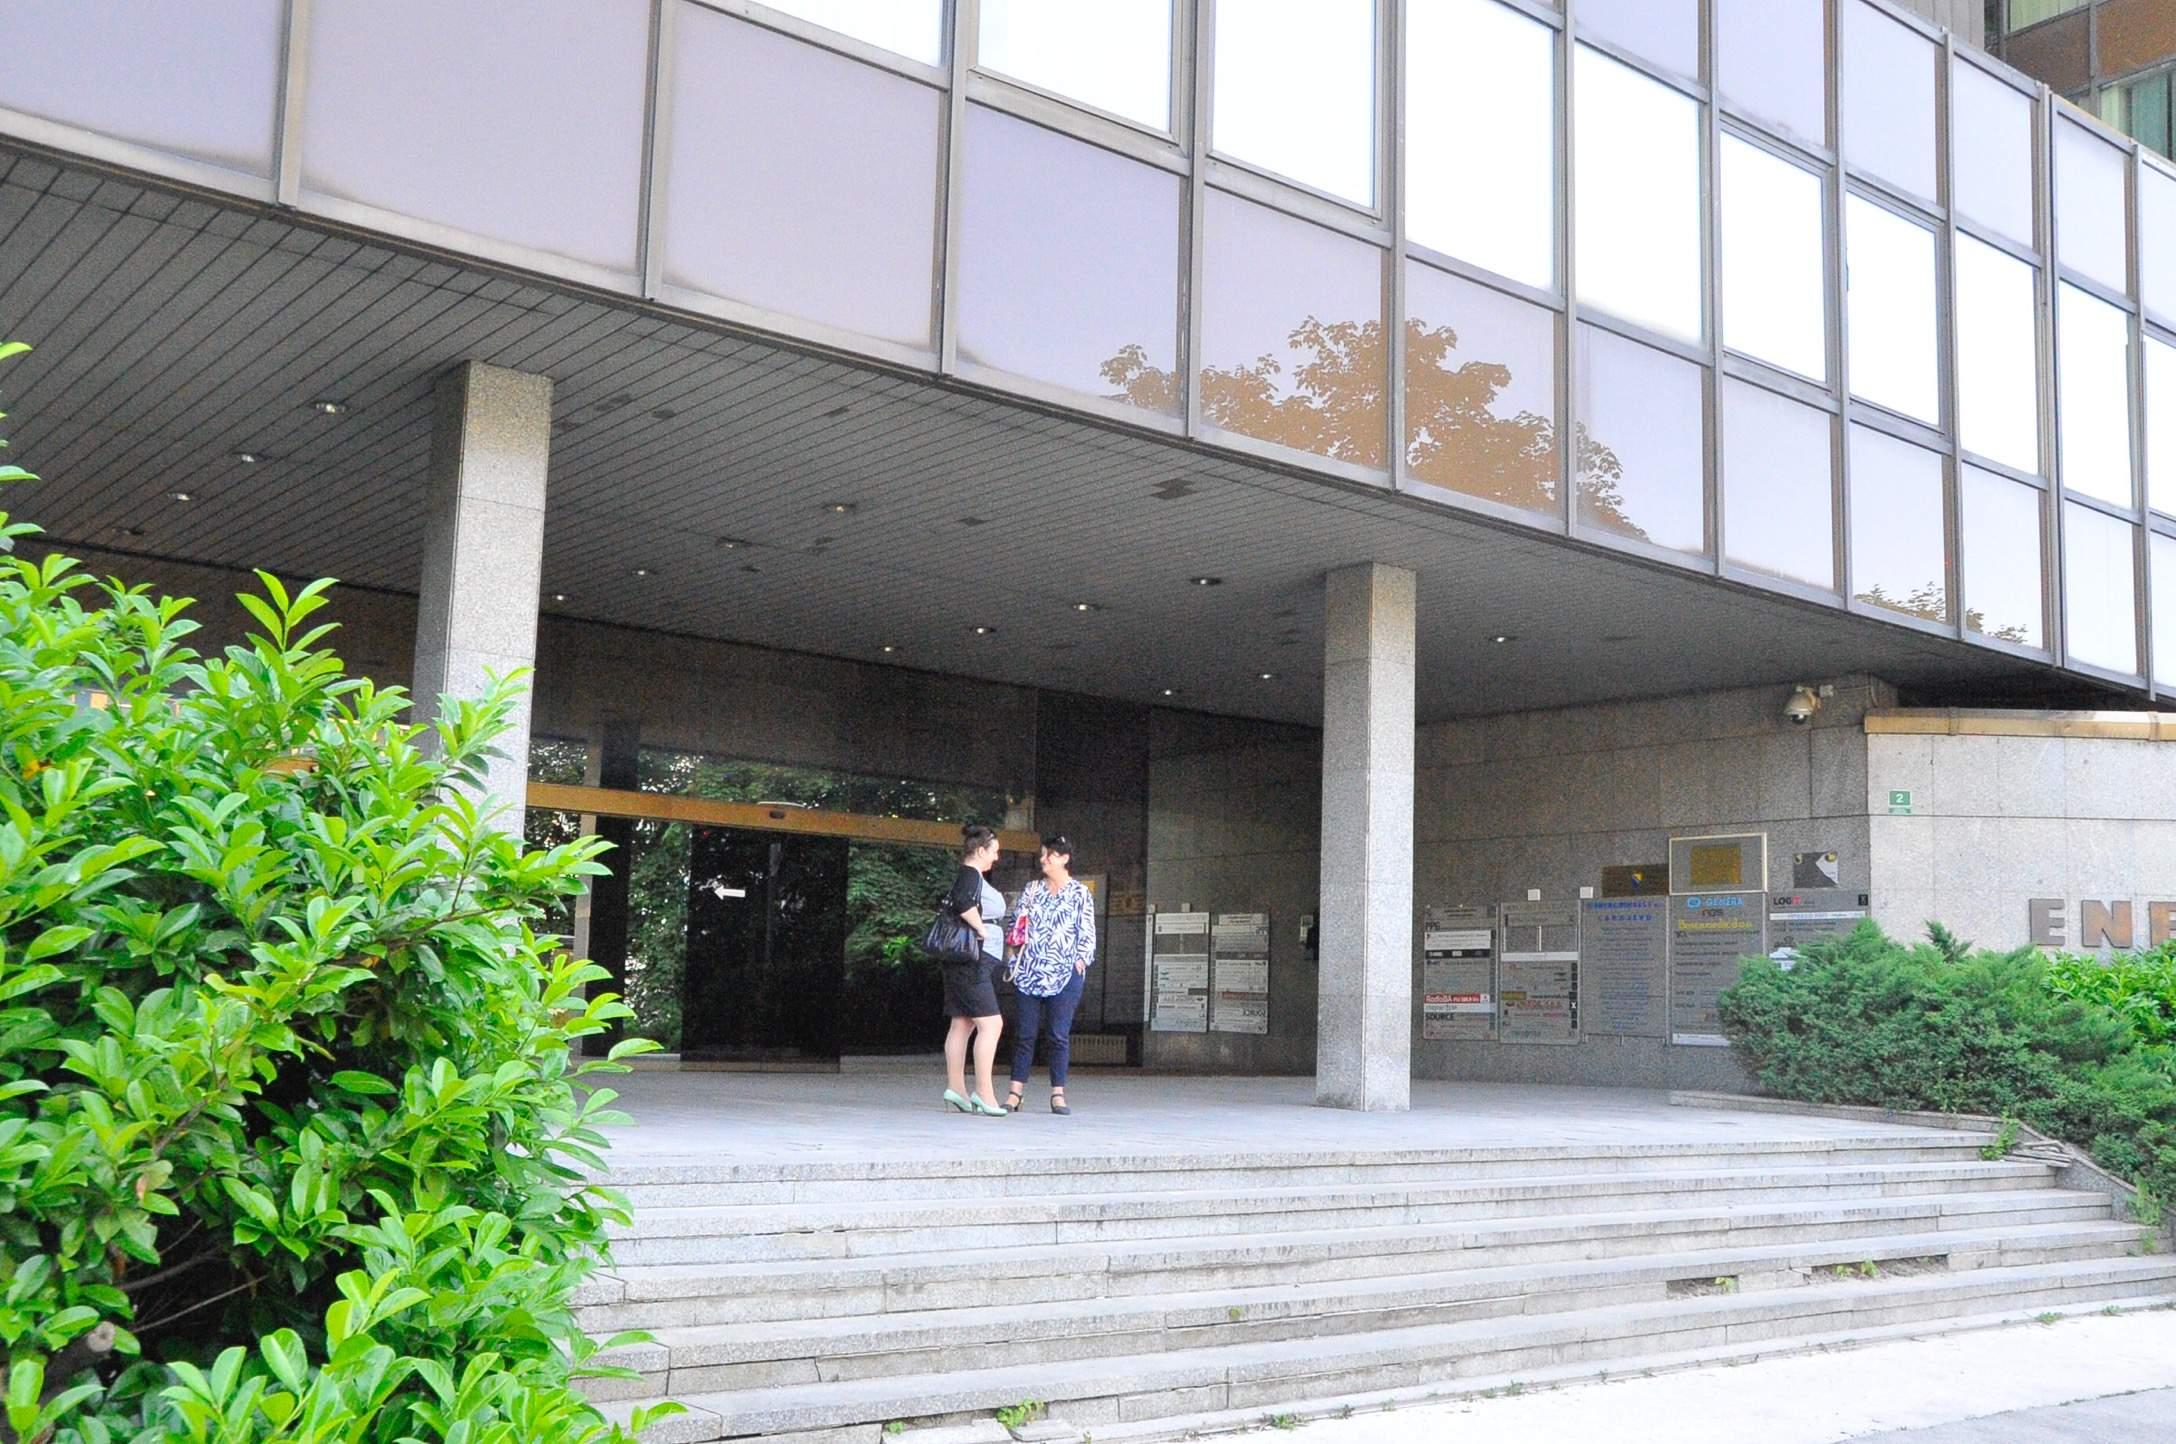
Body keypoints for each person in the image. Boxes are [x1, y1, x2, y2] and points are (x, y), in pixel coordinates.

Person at [1004, 834, 1096, 1115]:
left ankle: (1058, 1094)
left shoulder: (1080, 893)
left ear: (1065, 858)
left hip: (1065, 974)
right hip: (1029, 972)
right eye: (1043, 854)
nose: (1044, 859)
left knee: (1058, 1035)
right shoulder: (1032, 889)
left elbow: (1088, 932)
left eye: (1050, 855)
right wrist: (1012, 958)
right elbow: (1016, 926)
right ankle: (1014, 1093)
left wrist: (1080, 961)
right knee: (1025, 1034)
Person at [940, 824, 1006, 1116]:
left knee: (962, 1023)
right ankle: (985, 1093)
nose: (996, 858)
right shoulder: (970, 875)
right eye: (994, 852)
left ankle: (957, 1088)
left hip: (964, 962)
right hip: (973, 961)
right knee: (992, 1025)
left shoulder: (971, 876)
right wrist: (981, 929)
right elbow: (963, 903)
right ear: (980, 851)